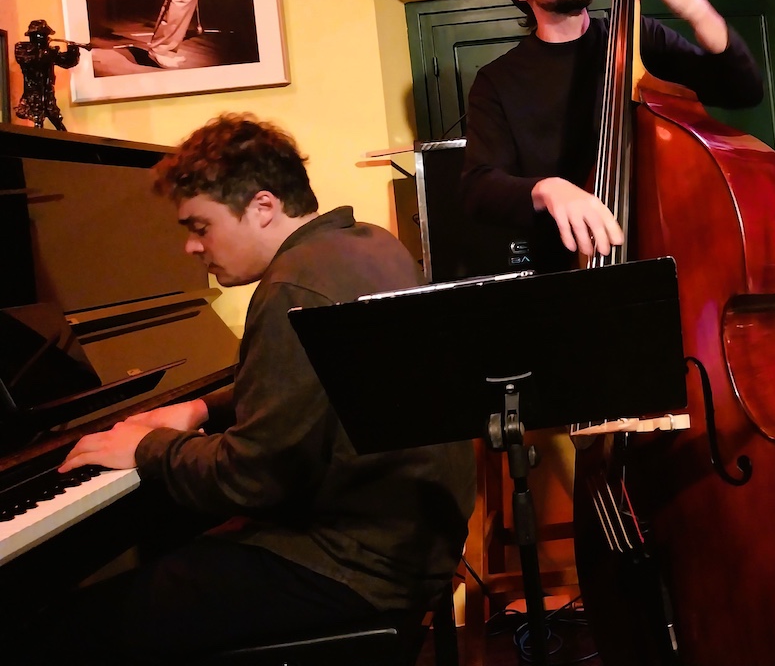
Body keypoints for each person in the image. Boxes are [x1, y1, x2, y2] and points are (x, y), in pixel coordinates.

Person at [16, 114, 475, 665]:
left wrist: (147, 448)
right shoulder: (366, 244)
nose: (191, 247)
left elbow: (250, 479)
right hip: (415, 535)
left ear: (262, 207)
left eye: (200, 226)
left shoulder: (292, 286)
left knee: (63, 630)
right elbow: (311, 380)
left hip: (357, 562)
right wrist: (200, 406)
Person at [461, 0, 763, 274]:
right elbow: (478, 189)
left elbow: (743, 89)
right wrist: (548, 189)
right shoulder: (498, 81)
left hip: (674, 257)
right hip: (569, 276)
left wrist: (692, 5)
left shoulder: (638, 41)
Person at [14, 19, 80, 130]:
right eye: (43, 35)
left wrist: (72, 50)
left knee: (58, 123)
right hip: (33, 96)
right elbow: (36, 59)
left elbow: (66, 62)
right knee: (38, 123)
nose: (46, 38)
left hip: (48, 96)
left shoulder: (49, 52)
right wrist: (50, 52)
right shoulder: (22, 49)